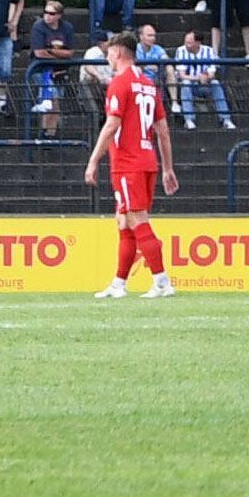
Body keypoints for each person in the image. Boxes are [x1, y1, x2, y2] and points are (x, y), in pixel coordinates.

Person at [86, 37, 178, 300]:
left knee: (137, 220)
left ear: (117, 52)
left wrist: (93, 160)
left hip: (128, 163)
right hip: (147, 161)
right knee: (124, 220)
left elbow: (112, 124)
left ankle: (161, 281)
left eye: (109, 52)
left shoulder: (120, 83)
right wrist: (167, 168)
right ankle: (119, 284)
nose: (107, 57)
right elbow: (163, 130)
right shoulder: (149, 84)